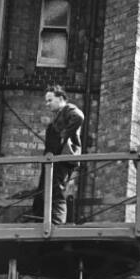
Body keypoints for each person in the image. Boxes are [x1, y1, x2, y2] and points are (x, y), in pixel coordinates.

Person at [28, 85, 84, 225]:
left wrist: (63, 136)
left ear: (60, 98)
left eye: (50, 100)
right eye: (46, 101)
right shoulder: (60, 115)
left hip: (61, 159)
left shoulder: (67, 109)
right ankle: (42, 220)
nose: (47, 104)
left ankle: (57, 223)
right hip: (53, 160)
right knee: (45, 191)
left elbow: (79, 117)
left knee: (56, 191)